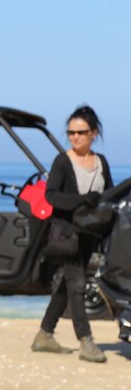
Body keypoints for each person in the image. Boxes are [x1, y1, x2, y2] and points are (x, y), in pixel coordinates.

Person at [33, 104, 113, 363]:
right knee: (77, 284)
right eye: (71, 132)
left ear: (93, 133)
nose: (75, 137)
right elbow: (51, 195)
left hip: (91, 233)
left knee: (68, 285)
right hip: (67, 235)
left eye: (81, 132)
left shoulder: (101, 162)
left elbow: (109, 195)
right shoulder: (62, 161)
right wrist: (82, 200)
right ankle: (86, 341)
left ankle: (44, 334)